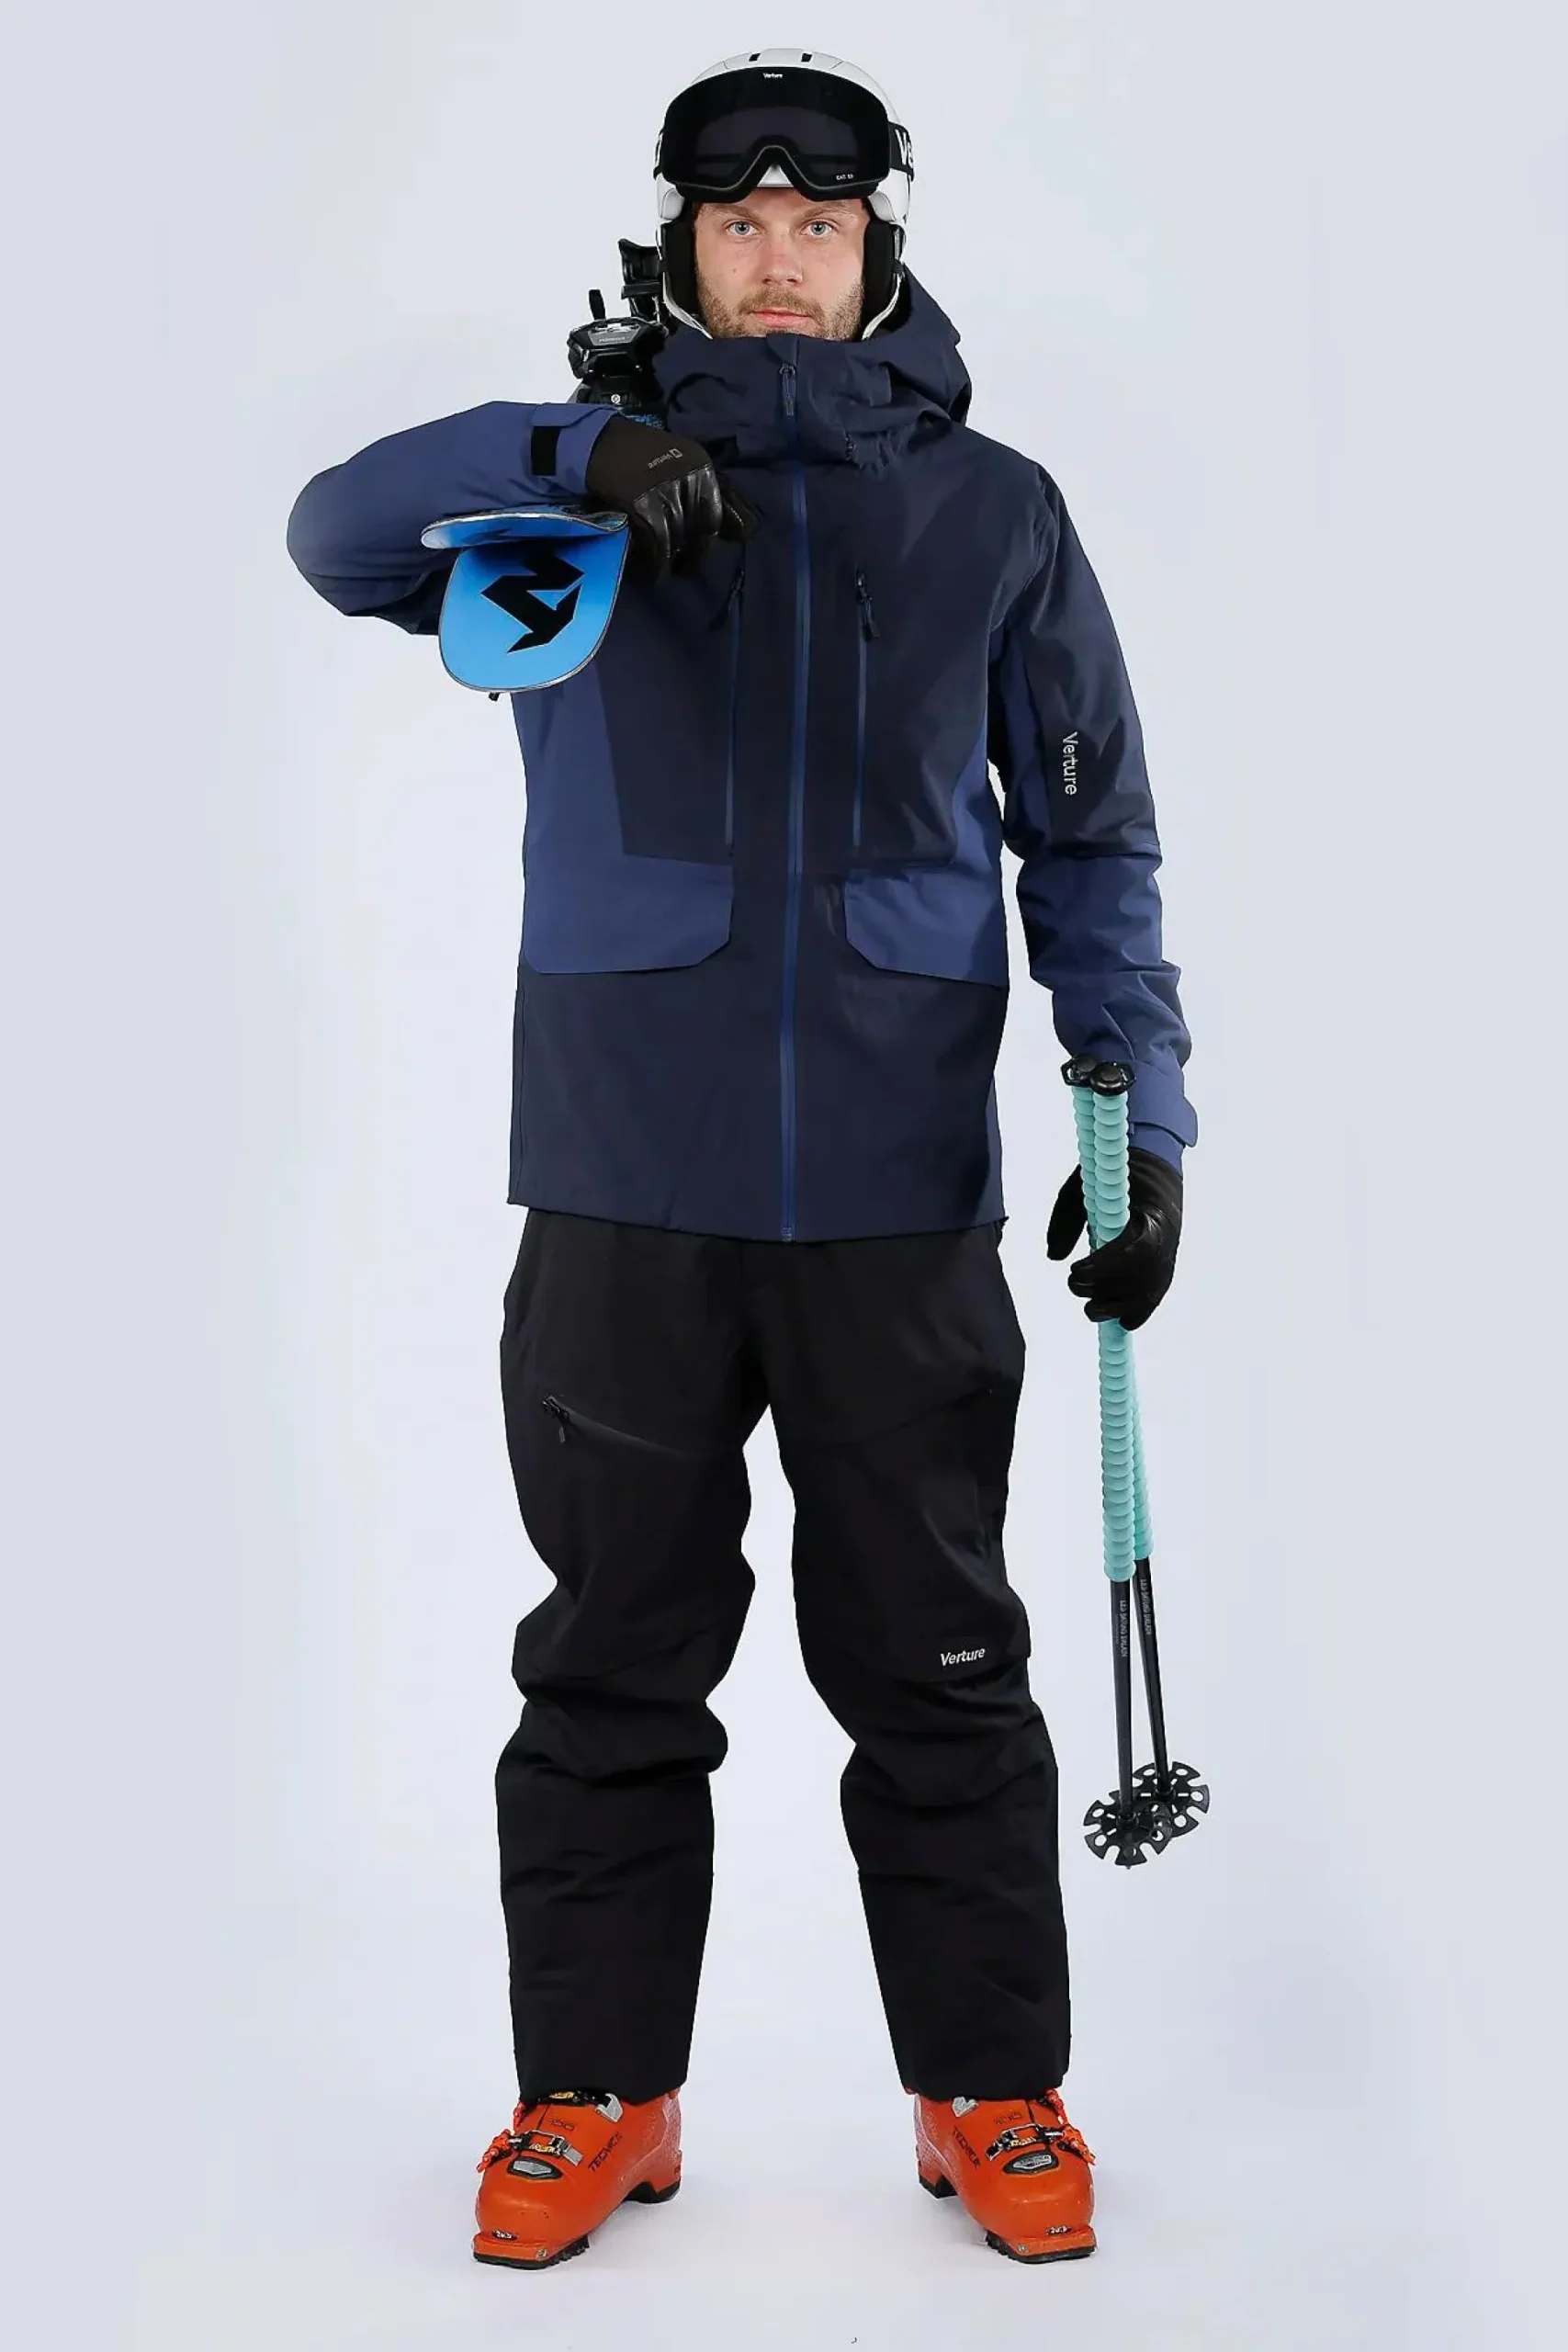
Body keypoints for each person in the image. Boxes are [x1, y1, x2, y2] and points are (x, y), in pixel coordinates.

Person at [287, 46, 1194, 2273]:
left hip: (898, 1194)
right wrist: (579, 448)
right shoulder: (566, 506)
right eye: (738, 221)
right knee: (611, 1649)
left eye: (817, 220)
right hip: (622, 1182)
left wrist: (1139, 1112)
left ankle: (989, 2083)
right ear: (680, 243)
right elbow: (335, 534)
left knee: (940, 1655)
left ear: (876, 244)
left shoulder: (993, 512)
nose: (778, 255)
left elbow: (1089, 840)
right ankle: (597, 2093)